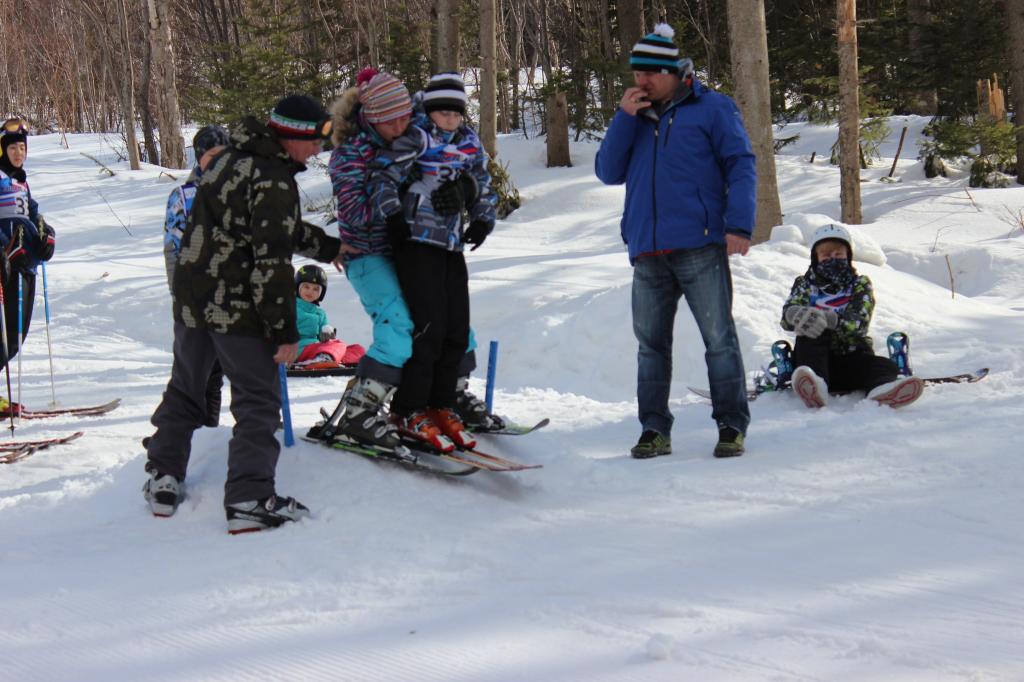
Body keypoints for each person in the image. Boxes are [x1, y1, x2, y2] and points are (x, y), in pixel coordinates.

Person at [143, 95, 343, 534]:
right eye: (313, 142)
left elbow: (269, 228)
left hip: (192, 299)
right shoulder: (272, 178)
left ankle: (163, 475)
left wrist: (330, 249)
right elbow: (270, 261)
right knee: (258, 400)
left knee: (187, 387)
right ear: (291, 136)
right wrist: (284, 332)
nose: (316, 152)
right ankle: (250, 497)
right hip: (233, 306)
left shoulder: (230, 159)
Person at [594, 24, 756, 460]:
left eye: (649, 73)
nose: (640, 81)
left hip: (699, 244)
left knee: (718, 339)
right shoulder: (635, 116)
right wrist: (623, 119)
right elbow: (608, 172)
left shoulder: (712, 108)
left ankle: (731, 425)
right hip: (647, 250)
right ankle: (653, 430)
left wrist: (739, 224)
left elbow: (740, 164)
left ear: (673, 72)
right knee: (650, 347)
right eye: (636, 73)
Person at [316, 68, 499, 450]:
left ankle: (448, 394)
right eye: (393, 121)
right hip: (368, 251)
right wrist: (410, 195)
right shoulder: (351, 154)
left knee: (449, 321)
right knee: (400, 325)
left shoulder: (414, 127)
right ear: (373, 118)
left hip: (418, 247)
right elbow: (354, 212)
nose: (403, 125)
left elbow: (451, 138)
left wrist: (463, 188)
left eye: (406, 117)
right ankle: (362, 408)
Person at [781, 223, 924, 408]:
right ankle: (815, 386)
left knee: (883, 365)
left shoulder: (859, 284)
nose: (832, 259)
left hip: (851, 357)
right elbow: (787, 318)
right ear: (816, 259)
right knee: (811, 328)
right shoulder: (805, 285)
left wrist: (831, 320)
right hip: (812, 360)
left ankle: (882, 390)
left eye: (838, 254)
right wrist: (795, 314)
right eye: (826, 255)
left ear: (848, 256)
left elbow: (860, 322)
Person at [162, 124, 229, 428]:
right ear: (200, 157)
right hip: (196, 297)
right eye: (211, 155)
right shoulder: (184, 196)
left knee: (220, 372)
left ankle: (209, 432)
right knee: (192, 374)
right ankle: (176, 435)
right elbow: (172, 249)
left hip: (232, 297)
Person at [0, 117, 56, 416]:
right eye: (13, 148)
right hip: (6, 264)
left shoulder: (21, 181)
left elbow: (33, 216)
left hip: (26, 264)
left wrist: (47, 236)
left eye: (22, 147)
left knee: (16, 336)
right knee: (4, 334)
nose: (18, 153)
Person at [291, 264, 365, 369]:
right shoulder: (290, 307)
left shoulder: (320, 313)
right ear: (297, 287)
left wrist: (327, 334)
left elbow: (324, 335)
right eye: (306, 287)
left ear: (321, 293)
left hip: (316, 349)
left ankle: (327, 359)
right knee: (338, 344)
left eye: (316, 289)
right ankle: (324, 359)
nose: (310, 291)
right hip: (296, 349)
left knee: (357, 349)